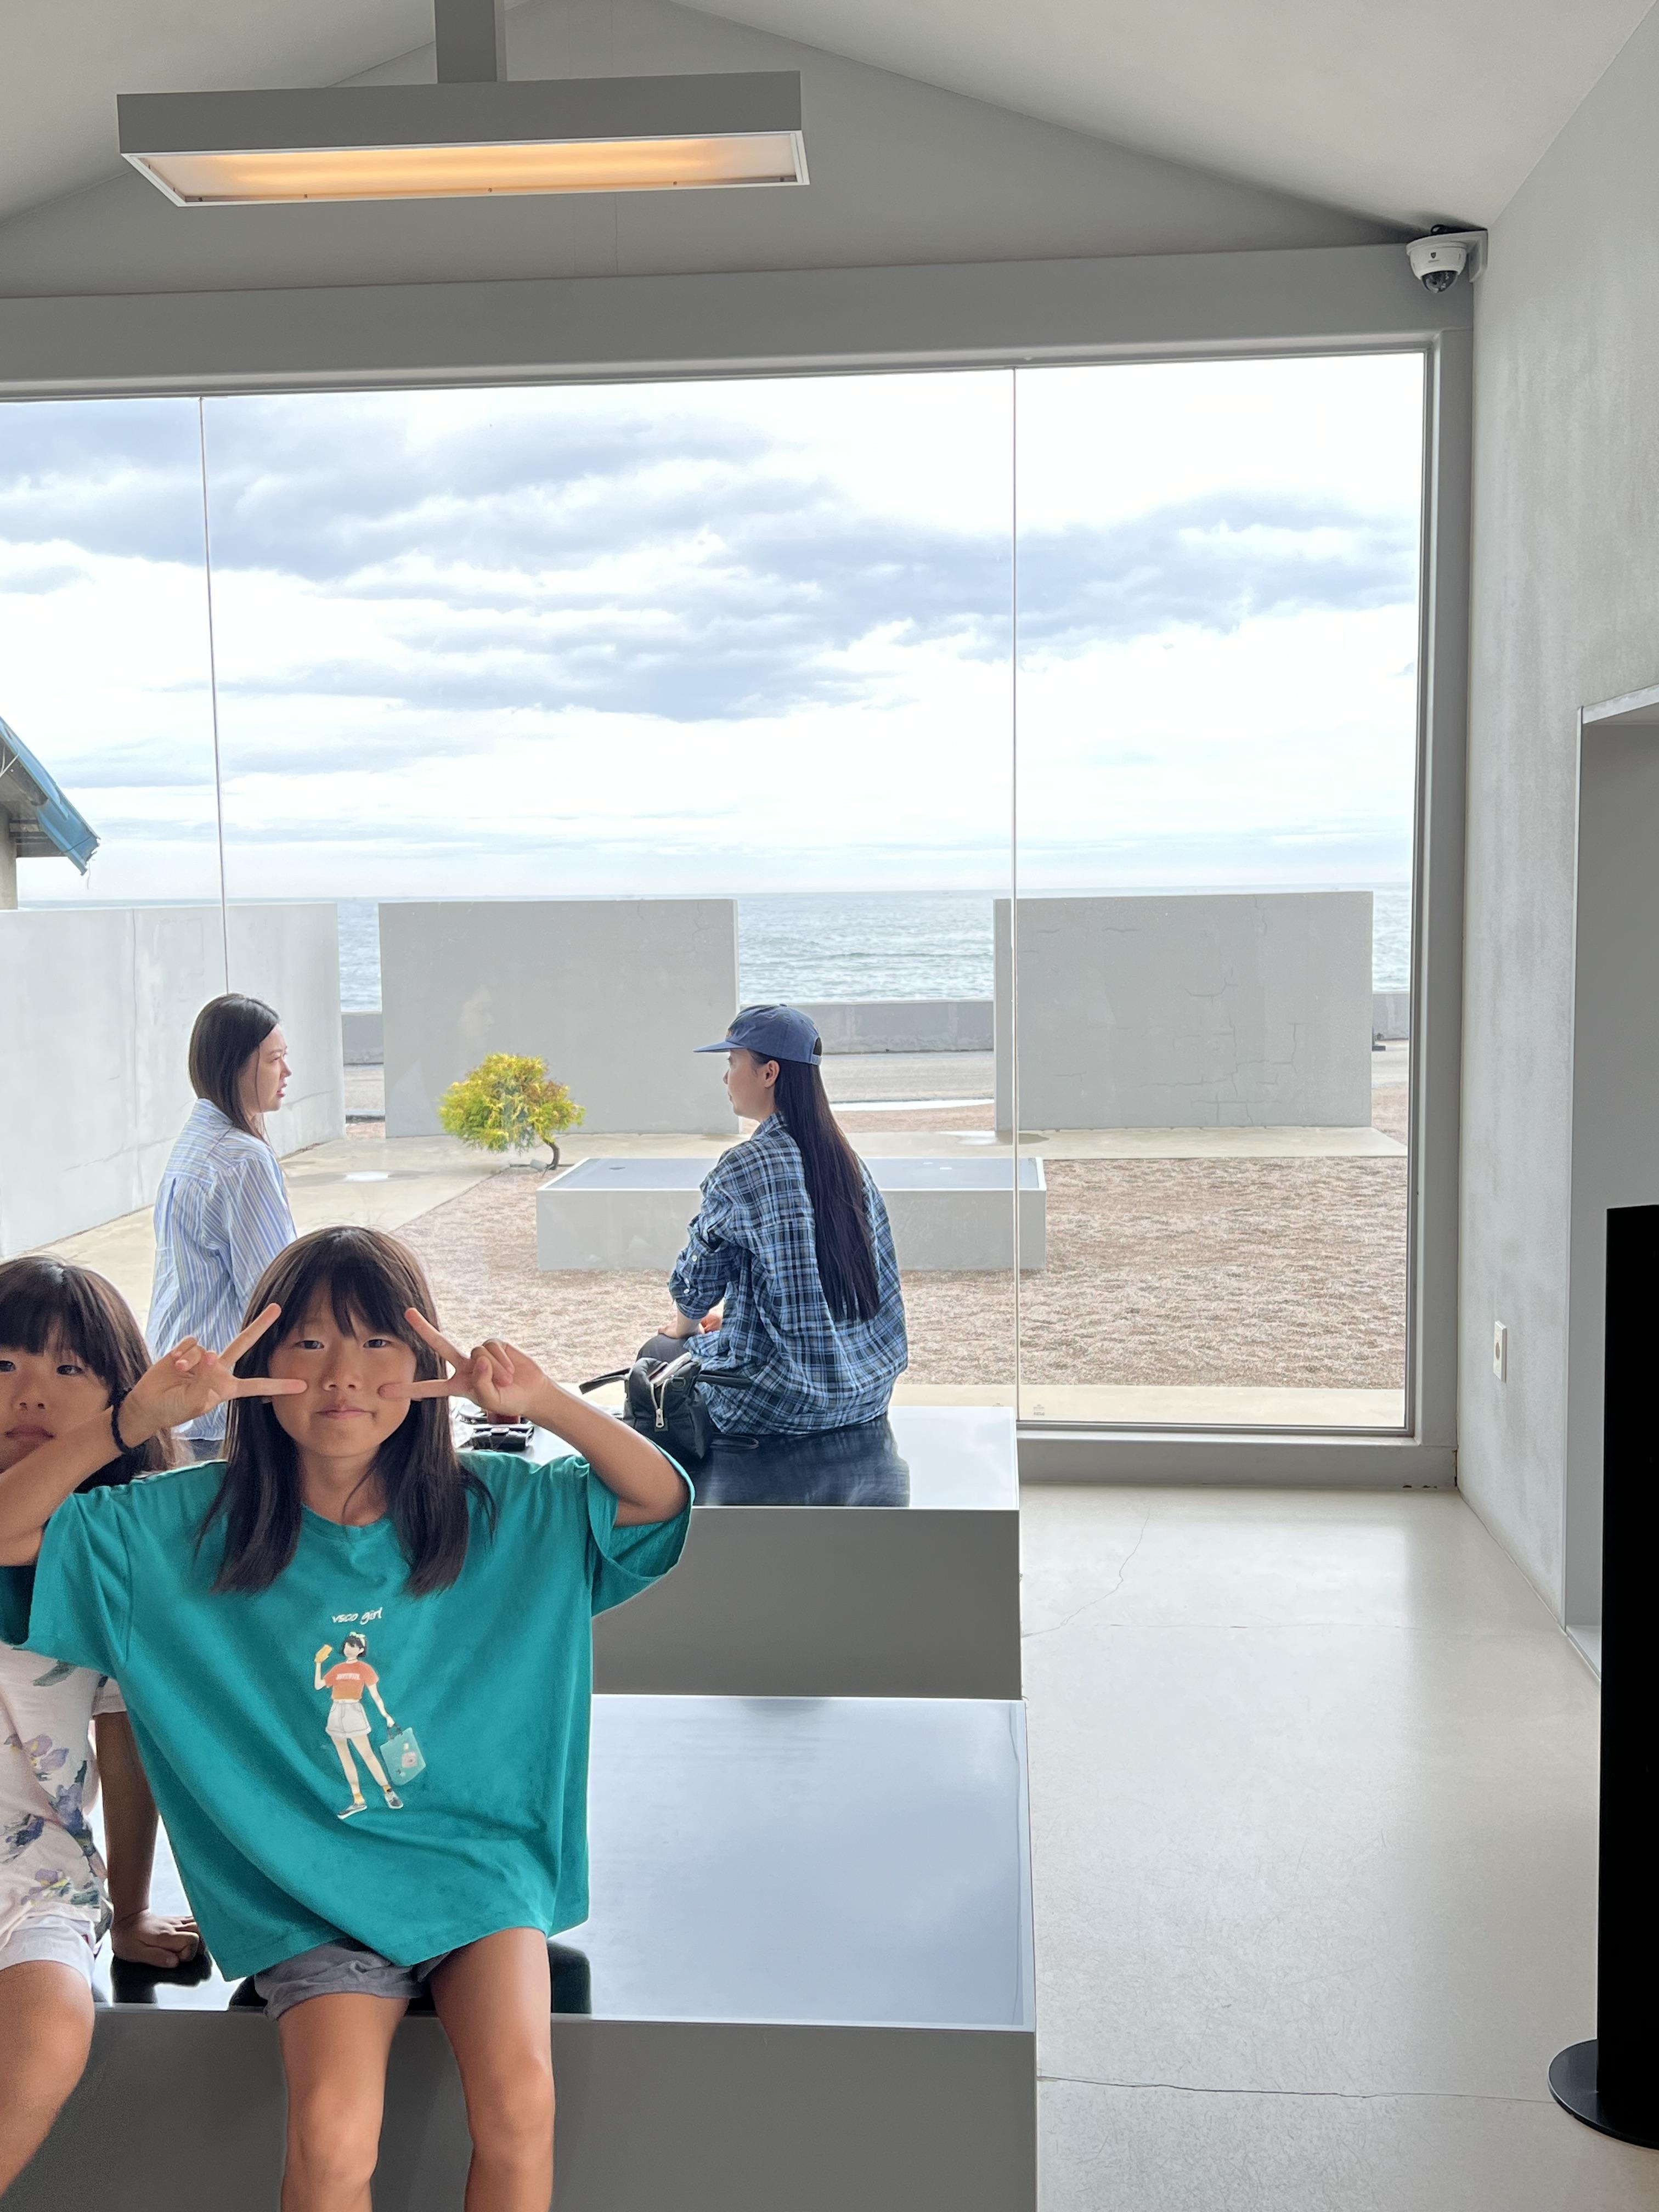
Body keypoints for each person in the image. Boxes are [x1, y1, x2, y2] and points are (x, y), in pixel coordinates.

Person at [0, 1224, 690, 2212]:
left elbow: (657, 1502)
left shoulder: (499, 1504)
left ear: (423, 1363)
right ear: (260, 1363)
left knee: (518, 2105)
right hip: (306, 1890)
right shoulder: (177, 1524)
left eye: (377, 1343)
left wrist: (544, 1402)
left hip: (478, 1869)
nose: (343, 1376)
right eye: (310, 1342)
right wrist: (130, 1421)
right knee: (329, 2138)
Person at [0, 1257, 200, 2196]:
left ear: (121, 1391)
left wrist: (127, 1907)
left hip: (36, 1881)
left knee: (48, 2039)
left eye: (69, 1367)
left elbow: (127, 1748)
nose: (32, 1391)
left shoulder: (117, 1554)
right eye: (3, 1363)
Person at [653, 1003, 907, 1438]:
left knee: (659, 1352)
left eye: (733, 1062)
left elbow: (697, 1285)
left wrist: (684, 1327)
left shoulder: (745, 1165)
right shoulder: (847, 1161)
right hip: (868, 1394)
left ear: (769, 1073)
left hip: (779, 1403)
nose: (726, 1077)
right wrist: (736, 1321)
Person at [149, 994, 298, 1459]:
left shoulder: (196, 1140)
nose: (287, 1072)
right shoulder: (241, 1158)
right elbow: (275, 1293)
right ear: (236, 1067)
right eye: (274, 1060)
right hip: (219, 1402)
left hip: (177, 1374)